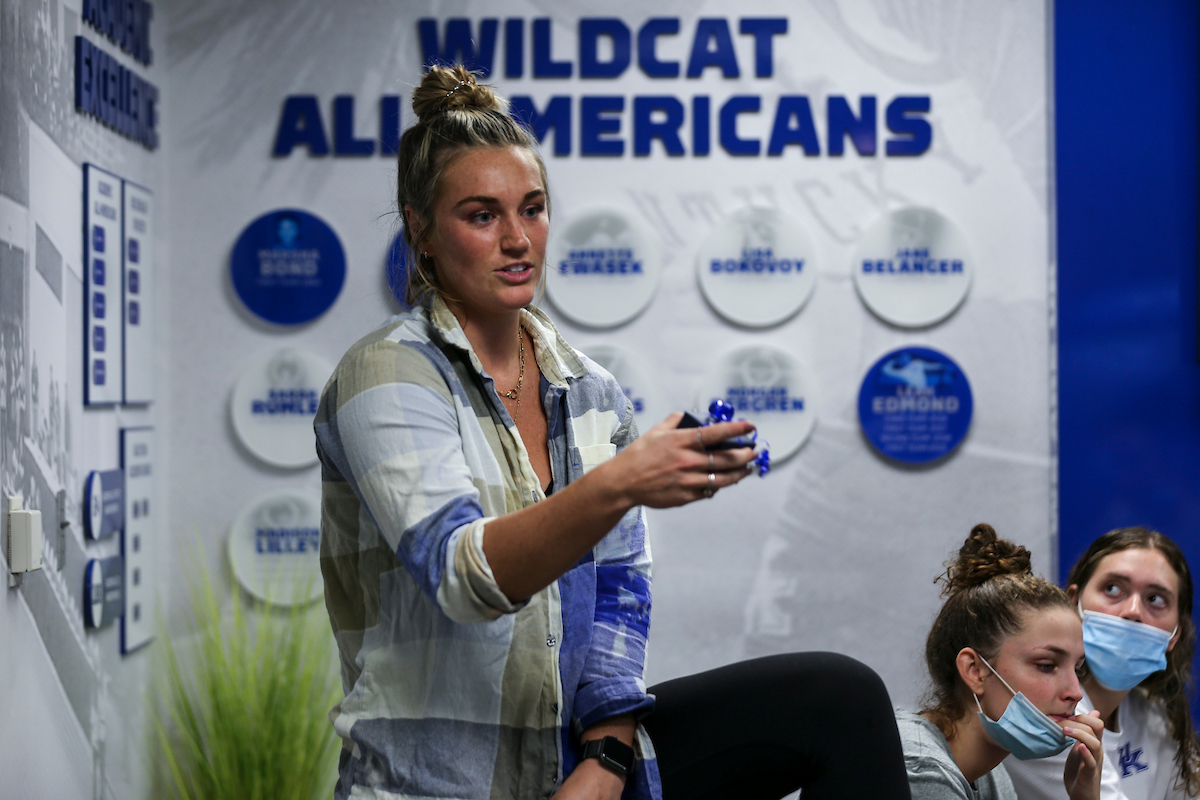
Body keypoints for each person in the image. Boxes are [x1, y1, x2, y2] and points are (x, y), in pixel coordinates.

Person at [315, 64, 912, 800]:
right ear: (422, 231)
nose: (516, 238)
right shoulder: (385, 376)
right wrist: (622, 482)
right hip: (437, 784)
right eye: (481, 215)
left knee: (838, 698)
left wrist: (606, 757)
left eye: (532, 209)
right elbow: (466, 576)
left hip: (581, 770)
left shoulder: (589, 387)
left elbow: (621, 591)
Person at [896, 524, 1105, 800]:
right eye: (1046, 665)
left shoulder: (990, 773)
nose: (1076, 692)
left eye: (1077, 669)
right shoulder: (923, 772)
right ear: (975, 671)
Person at [1004, 527, 1199, 799]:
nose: (1132, 611)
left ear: (1174, 634)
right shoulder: (1049, 718)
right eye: (1113, 588)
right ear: (1074, 602)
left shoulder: (1156, 717)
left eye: (1155, 599)